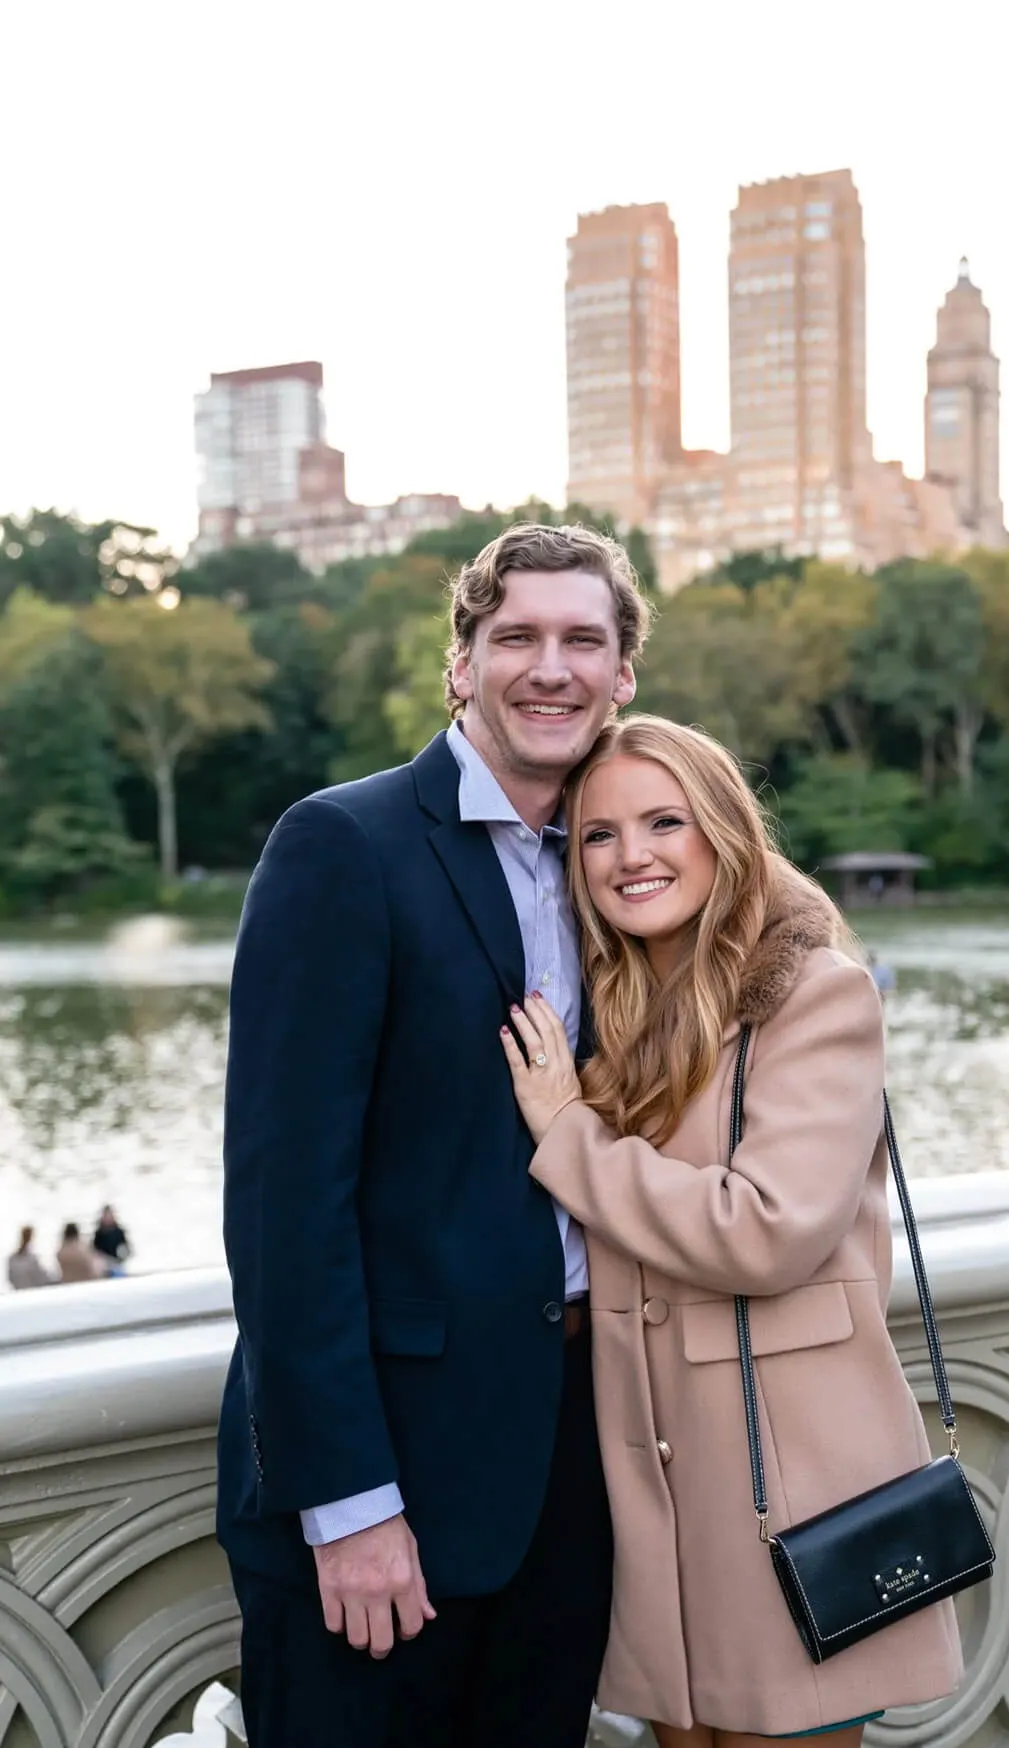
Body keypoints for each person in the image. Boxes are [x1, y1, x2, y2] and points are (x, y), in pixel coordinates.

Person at [216, 523, 651, 1748]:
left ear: (624, 675)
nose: (549, 667)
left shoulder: (627, 862)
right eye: (516, 636)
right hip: (385, 1479)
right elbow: (283, 1205)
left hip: (570, 1465)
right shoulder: (341, 846)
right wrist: (347, 1500)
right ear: (461, 662)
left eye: (583, 639)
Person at [501, 716, 963, 1748]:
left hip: (788, 1485)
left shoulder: (815, 995)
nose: (634, 856)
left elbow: (770, 1231)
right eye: (599, 835)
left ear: (723, 831)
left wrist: (568, 1135)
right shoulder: (611, 1003)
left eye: (665, 821)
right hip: (660, 1493)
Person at [7, 1226, 54, 1290]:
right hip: (31, 1292)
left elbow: (10, 1278)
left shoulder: (13, 1258)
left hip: (18, 1292)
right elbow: (41, 1277)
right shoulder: (31, 1258)